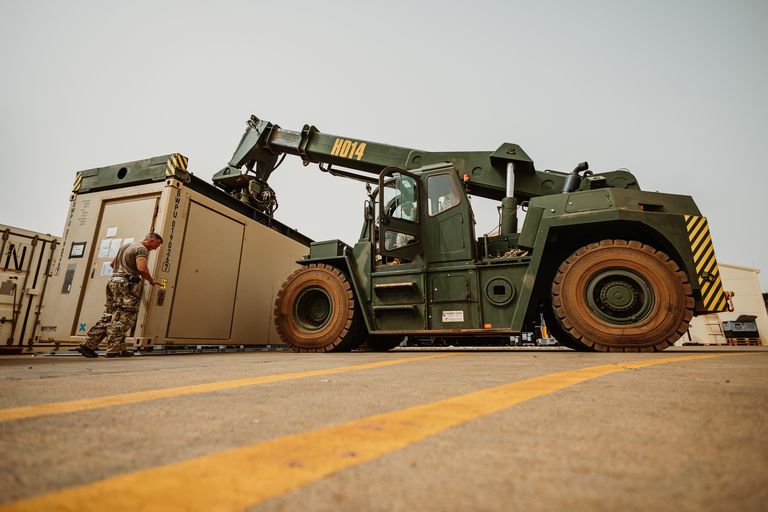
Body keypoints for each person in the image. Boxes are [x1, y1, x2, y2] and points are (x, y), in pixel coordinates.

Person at [77, 233, 163, 358]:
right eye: (156, 245)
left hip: (114, 281)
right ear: (150, 240)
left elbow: (113, 264)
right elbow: (142, 268)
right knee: (124, 317)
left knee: (109, 315)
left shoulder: (127, 245)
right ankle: (113, 350)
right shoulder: (142, 249)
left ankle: (88, 345)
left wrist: (120, 274)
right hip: (125, 284)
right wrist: (151, 279)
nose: (155, 248)